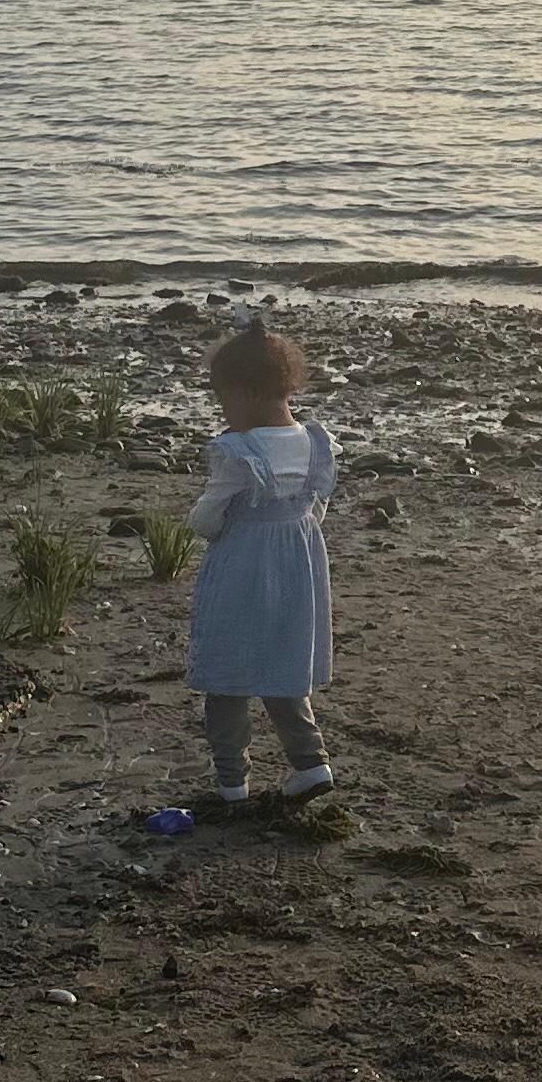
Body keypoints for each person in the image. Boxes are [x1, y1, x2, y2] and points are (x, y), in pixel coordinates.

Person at [184, 314, 338, 807]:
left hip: (243, 566)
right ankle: (311, 764)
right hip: (299, 564)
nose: (223, 411)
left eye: (223, 399)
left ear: (246, 392)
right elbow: (318, 504)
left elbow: (209, 514)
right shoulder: (316, 443)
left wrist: (207, 530)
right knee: (283, 666)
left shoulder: (238, 450)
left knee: (227, 672)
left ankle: (232, 780)